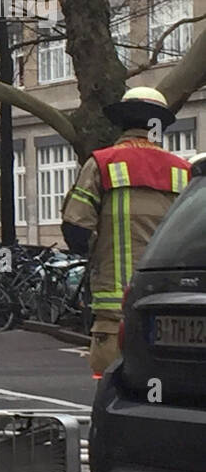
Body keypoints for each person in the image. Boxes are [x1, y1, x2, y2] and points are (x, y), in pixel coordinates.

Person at [61, 87, 190, 375]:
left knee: (111, 381)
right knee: (169, 383)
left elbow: (76, 227)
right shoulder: (184, 171)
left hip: (114, 308)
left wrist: (95, 256)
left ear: (121, 122)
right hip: (170, 306)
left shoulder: (102, 163)